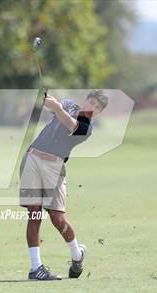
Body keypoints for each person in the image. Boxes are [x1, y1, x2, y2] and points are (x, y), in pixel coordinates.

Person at [19, 89, 108, 280]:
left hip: (54, 166)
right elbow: (51, 106)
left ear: (99, 112)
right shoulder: (68, 104)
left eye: (96, 107)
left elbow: (71, 124)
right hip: (32, 158)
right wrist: (47, 99)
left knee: (57, 218)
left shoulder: (86, 128)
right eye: (91, 102)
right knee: (34, 214)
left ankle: (77, 255)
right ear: (86, 100)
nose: (91, 107)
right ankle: (36, 269)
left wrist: (57, 108)